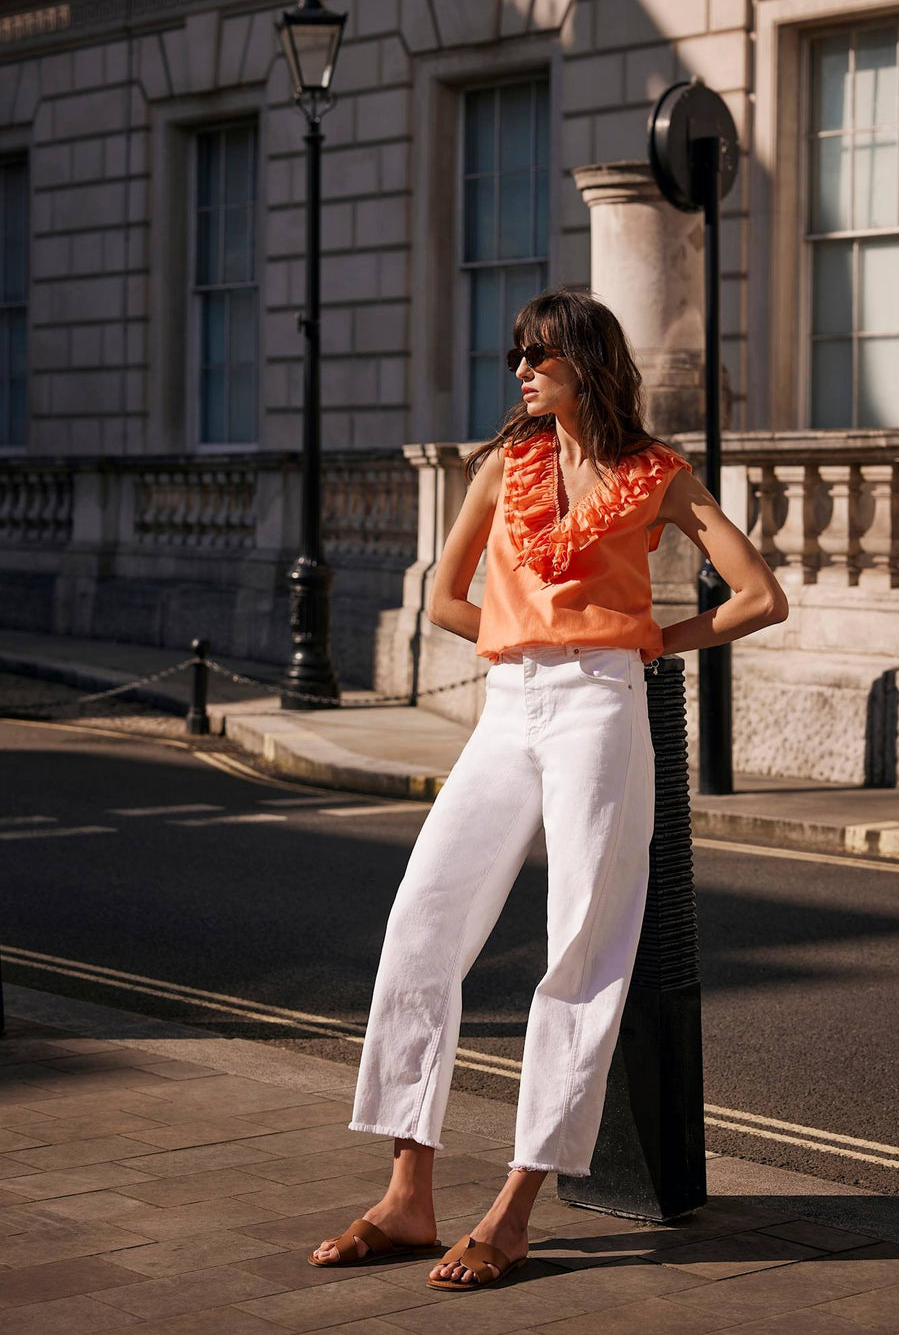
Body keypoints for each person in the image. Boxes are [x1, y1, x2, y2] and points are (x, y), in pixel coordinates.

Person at [309, 285, 788, 1291]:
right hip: (508, 703)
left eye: (541, 354)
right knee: (418, 928)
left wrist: (650, 638)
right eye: (518, 354)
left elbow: (758, 596)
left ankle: (515, 1205)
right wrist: (524, 637)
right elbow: (446, 596)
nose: (522, 368)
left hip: (600, 710)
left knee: (580, 946)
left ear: (588, 364)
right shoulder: (503, 467)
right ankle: (407, 1193)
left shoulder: (659, 475)